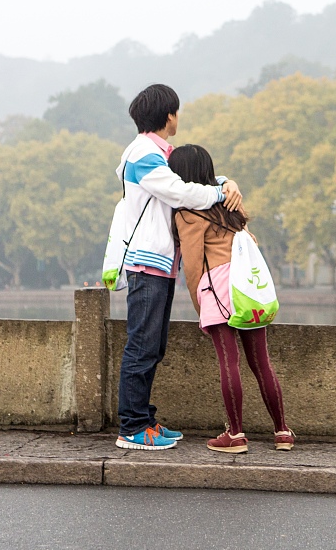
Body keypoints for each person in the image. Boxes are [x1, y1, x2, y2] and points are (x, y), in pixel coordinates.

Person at [114, 84, 243, 451]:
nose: (178, 118)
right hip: (147, 264)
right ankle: (133, 427)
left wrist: (225, 182)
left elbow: (191, 178)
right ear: (168, 116)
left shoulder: (158, 152)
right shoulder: (143, 154)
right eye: (176, 112)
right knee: (141, 346)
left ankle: (145, 419)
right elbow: (182, 192)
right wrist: (220, 194)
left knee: (153, 346)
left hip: (161, 264)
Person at [169, 143, 294, 454]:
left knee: (229, 362)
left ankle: (235, 435)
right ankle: (282, 431)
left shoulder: (188, 213)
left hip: (219, 289)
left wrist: (201, 306)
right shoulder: (231, 202)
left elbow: (194, 266)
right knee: (261, 362)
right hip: (247, 287)